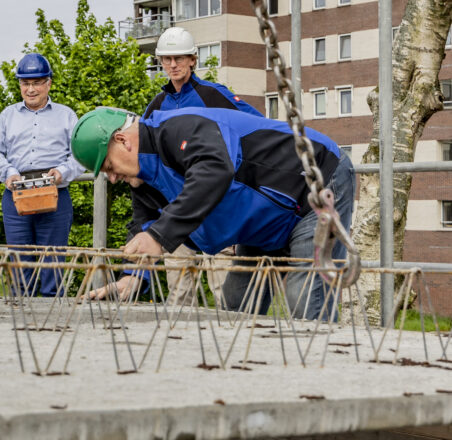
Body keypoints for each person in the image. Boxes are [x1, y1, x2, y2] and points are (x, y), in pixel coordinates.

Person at [70, 106, 355, 320]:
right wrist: (133, 276)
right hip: (264, 221)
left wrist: (159, 236)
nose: (112, 178)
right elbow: (144, 227)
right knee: (236, 302)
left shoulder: (180, 128)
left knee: (305, 296)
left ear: (122, 140)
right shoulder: (144, 180)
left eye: (108, 167)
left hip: (313, 185)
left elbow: (215, 171)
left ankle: (320, 381)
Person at [122, 27, 264, 305]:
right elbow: (145, 160)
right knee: (178, 292)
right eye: (167, 59)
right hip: (177, 207)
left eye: (179, 58)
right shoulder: (156, 107)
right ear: (160, 62)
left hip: (216, 204)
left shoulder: (214, 96)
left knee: (223, 288)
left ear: (192, 60)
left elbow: (259, 131)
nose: (173, 65)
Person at [0, 53, 84, 297]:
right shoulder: (8, 115)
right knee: (19, 262)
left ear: (48, 83)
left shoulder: (67, 115)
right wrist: (8, 173)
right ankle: (20, 318)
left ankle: (53, 317)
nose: (31, 89)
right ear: (19, 85)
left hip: (55, 194)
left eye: (37, 82)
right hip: (16, 194)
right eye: (25, 83)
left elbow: (81, 154)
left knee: (53, 261)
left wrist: (62, 172)